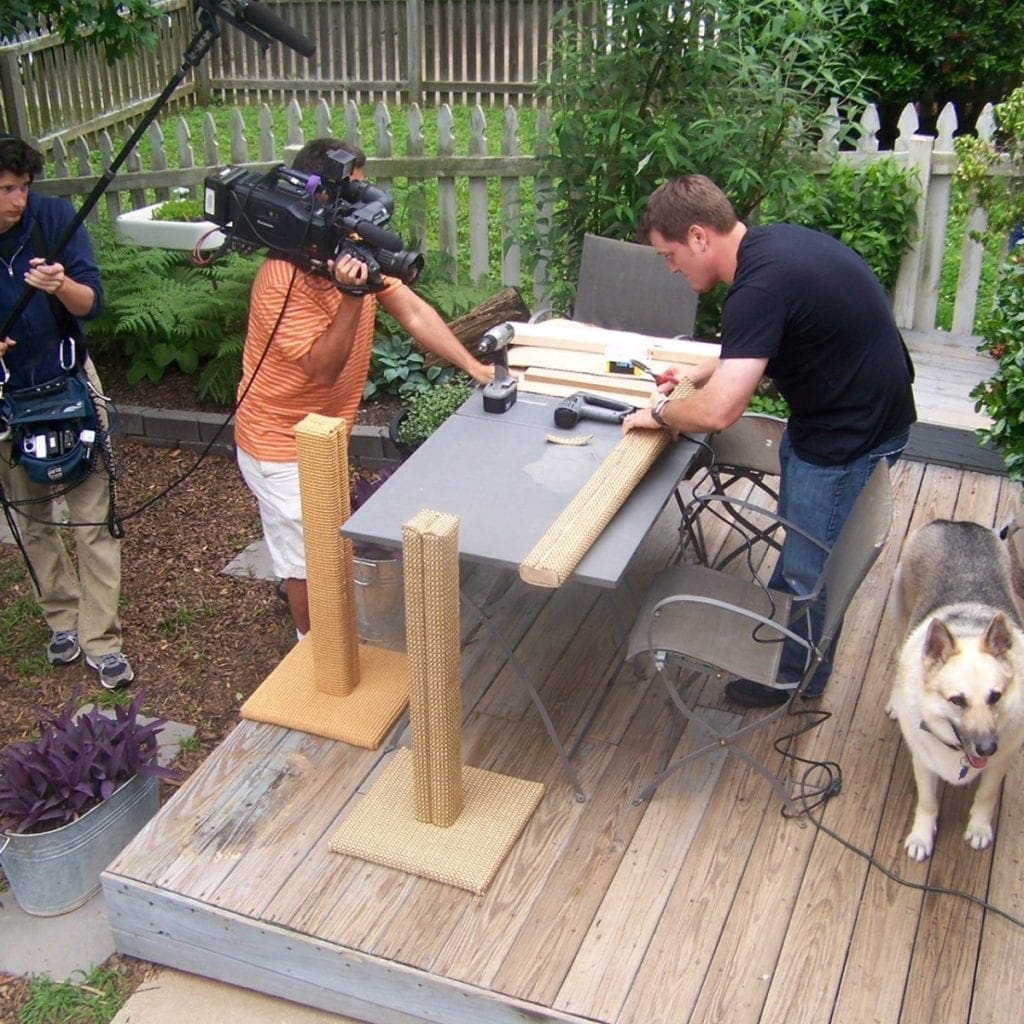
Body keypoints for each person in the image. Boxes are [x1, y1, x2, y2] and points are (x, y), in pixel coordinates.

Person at [623, 174, 916, 707]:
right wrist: (703, 368)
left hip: (847, 435)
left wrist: (660, 412)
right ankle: (791, 642)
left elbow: (718, 413)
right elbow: (761, 341)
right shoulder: (771, 249)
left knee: (810, 563)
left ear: (697, 237)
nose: (670, 268)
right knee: (810, 540)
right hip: (860, 413)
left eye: (669, 254)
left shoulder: (757, 288)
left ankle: (793, 675)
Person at [234, 138, 494, 640]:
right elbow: (323, 369)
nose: (363, 200)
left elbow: (413, 309)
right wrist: (352, 297)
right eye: (352, 189)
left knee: (327, 540)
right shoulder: (280, 279)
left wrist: (475, 369)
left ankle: (331, 632)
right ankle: (315, 652)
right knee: (310, 559)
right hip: (279, 444)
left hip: (325, 435)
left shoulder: (347, 251)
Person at [0, 135, 134, 689]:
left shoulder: (54, 219)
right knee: (31, 516)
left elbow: (93, 304)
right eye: (6, 189)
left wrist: (62, 287)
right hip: (9, 399)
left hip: (69, 385)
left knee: (93, 517)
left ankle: (101, 639)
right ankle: (62, 619)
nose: (18, 200)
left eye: (23, 187)